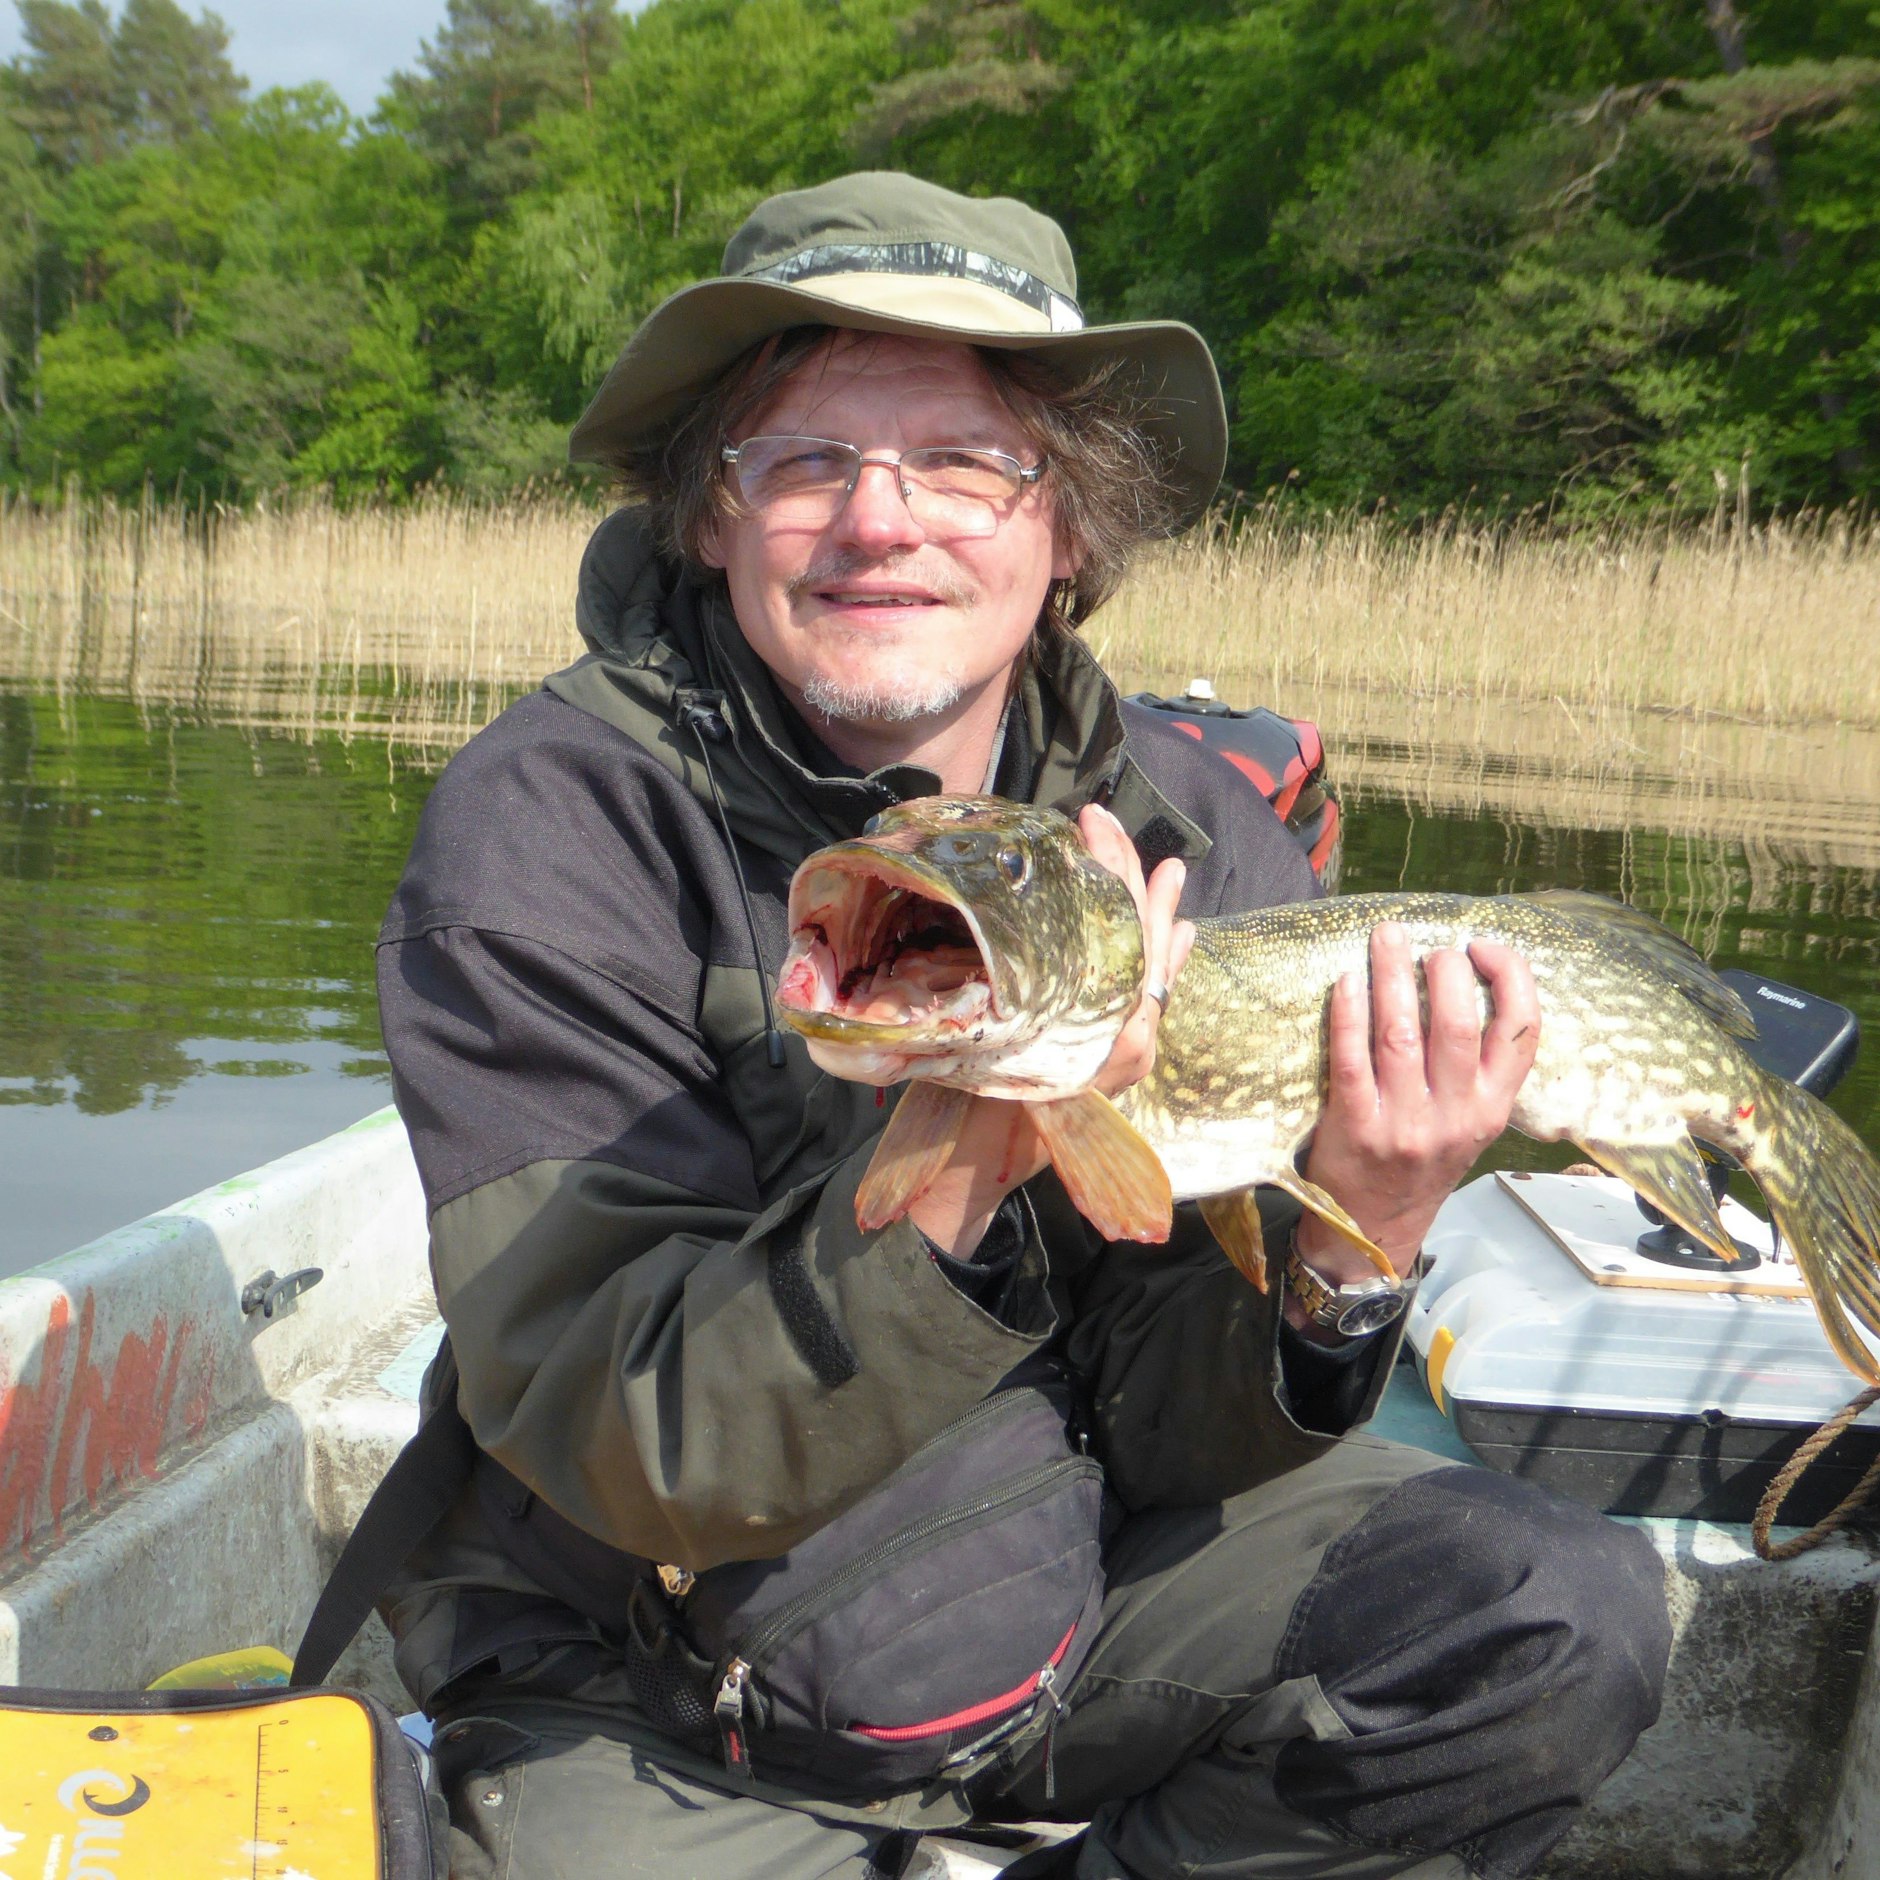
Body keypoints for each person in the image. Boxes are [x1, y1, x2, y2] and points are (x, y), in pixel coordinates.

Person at [374, 173, 1671, 1879]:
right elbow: (633, 1447)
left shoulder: (1201, 830)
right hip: (649, 1672)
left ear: (1069, 524)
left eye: (965, 461)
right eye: (809, 461)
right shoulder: (553, 830)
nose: (882, 520)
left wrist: (1368, 1236)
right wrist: (986, 1131)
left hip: (1072, 1581)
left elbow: (1177, 1430)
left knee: (1550, 1618)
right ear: (708, 515)